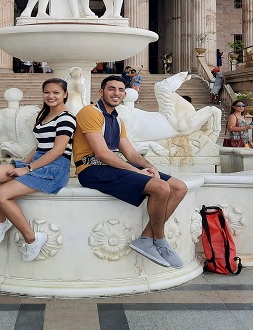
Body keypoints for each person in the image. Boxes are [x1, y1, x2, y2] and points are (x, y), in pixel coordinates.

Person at [72, 75, 188, 268]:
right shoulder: (90, 112)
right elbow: (101, 153)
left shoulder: (117, 120)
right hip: (91, 169)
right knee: (160, 188)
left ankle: (146, 238)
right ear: (101, 92)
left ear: (125, 94)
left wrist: (150, 168)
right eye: (111, 89)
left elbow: (131, 153)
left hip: (111, 166)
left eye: (120, 90)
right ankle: (160, 240)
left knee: (178, 187)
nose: (116, 93)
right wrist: (136, 172)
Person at [0, 78, 75, 262]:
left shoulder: (66, 118)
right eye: (47, 92)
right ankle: (1, 222)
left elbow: (57, 150)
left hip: (55, 168)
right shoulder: (44, 115)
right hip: (40, 161)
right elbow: (41, 145)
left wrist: (29, 168)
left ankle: (32, 239)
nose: (51, 96)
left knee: (0, 195)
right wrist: (23, 163)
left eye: (56, 92)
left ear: (65, 94)